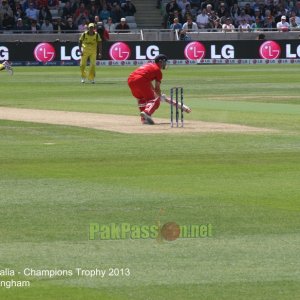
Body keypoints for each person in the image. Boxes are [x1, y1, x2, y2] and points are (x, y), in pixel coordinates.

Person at [127, 54, 168, 125]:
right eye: (165, 62)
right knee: (155, 101)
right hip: (140, 80)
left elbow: (148, 82)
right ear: (161, 62)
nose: (165, 64)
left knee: (142, 99)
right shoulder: (158, 71)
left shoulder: (149, 65)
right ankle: (147, 112)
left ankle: (144, 120)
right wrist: (159, 96)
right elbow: (157, 88)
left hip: (131, 80)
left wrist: (156, 93)